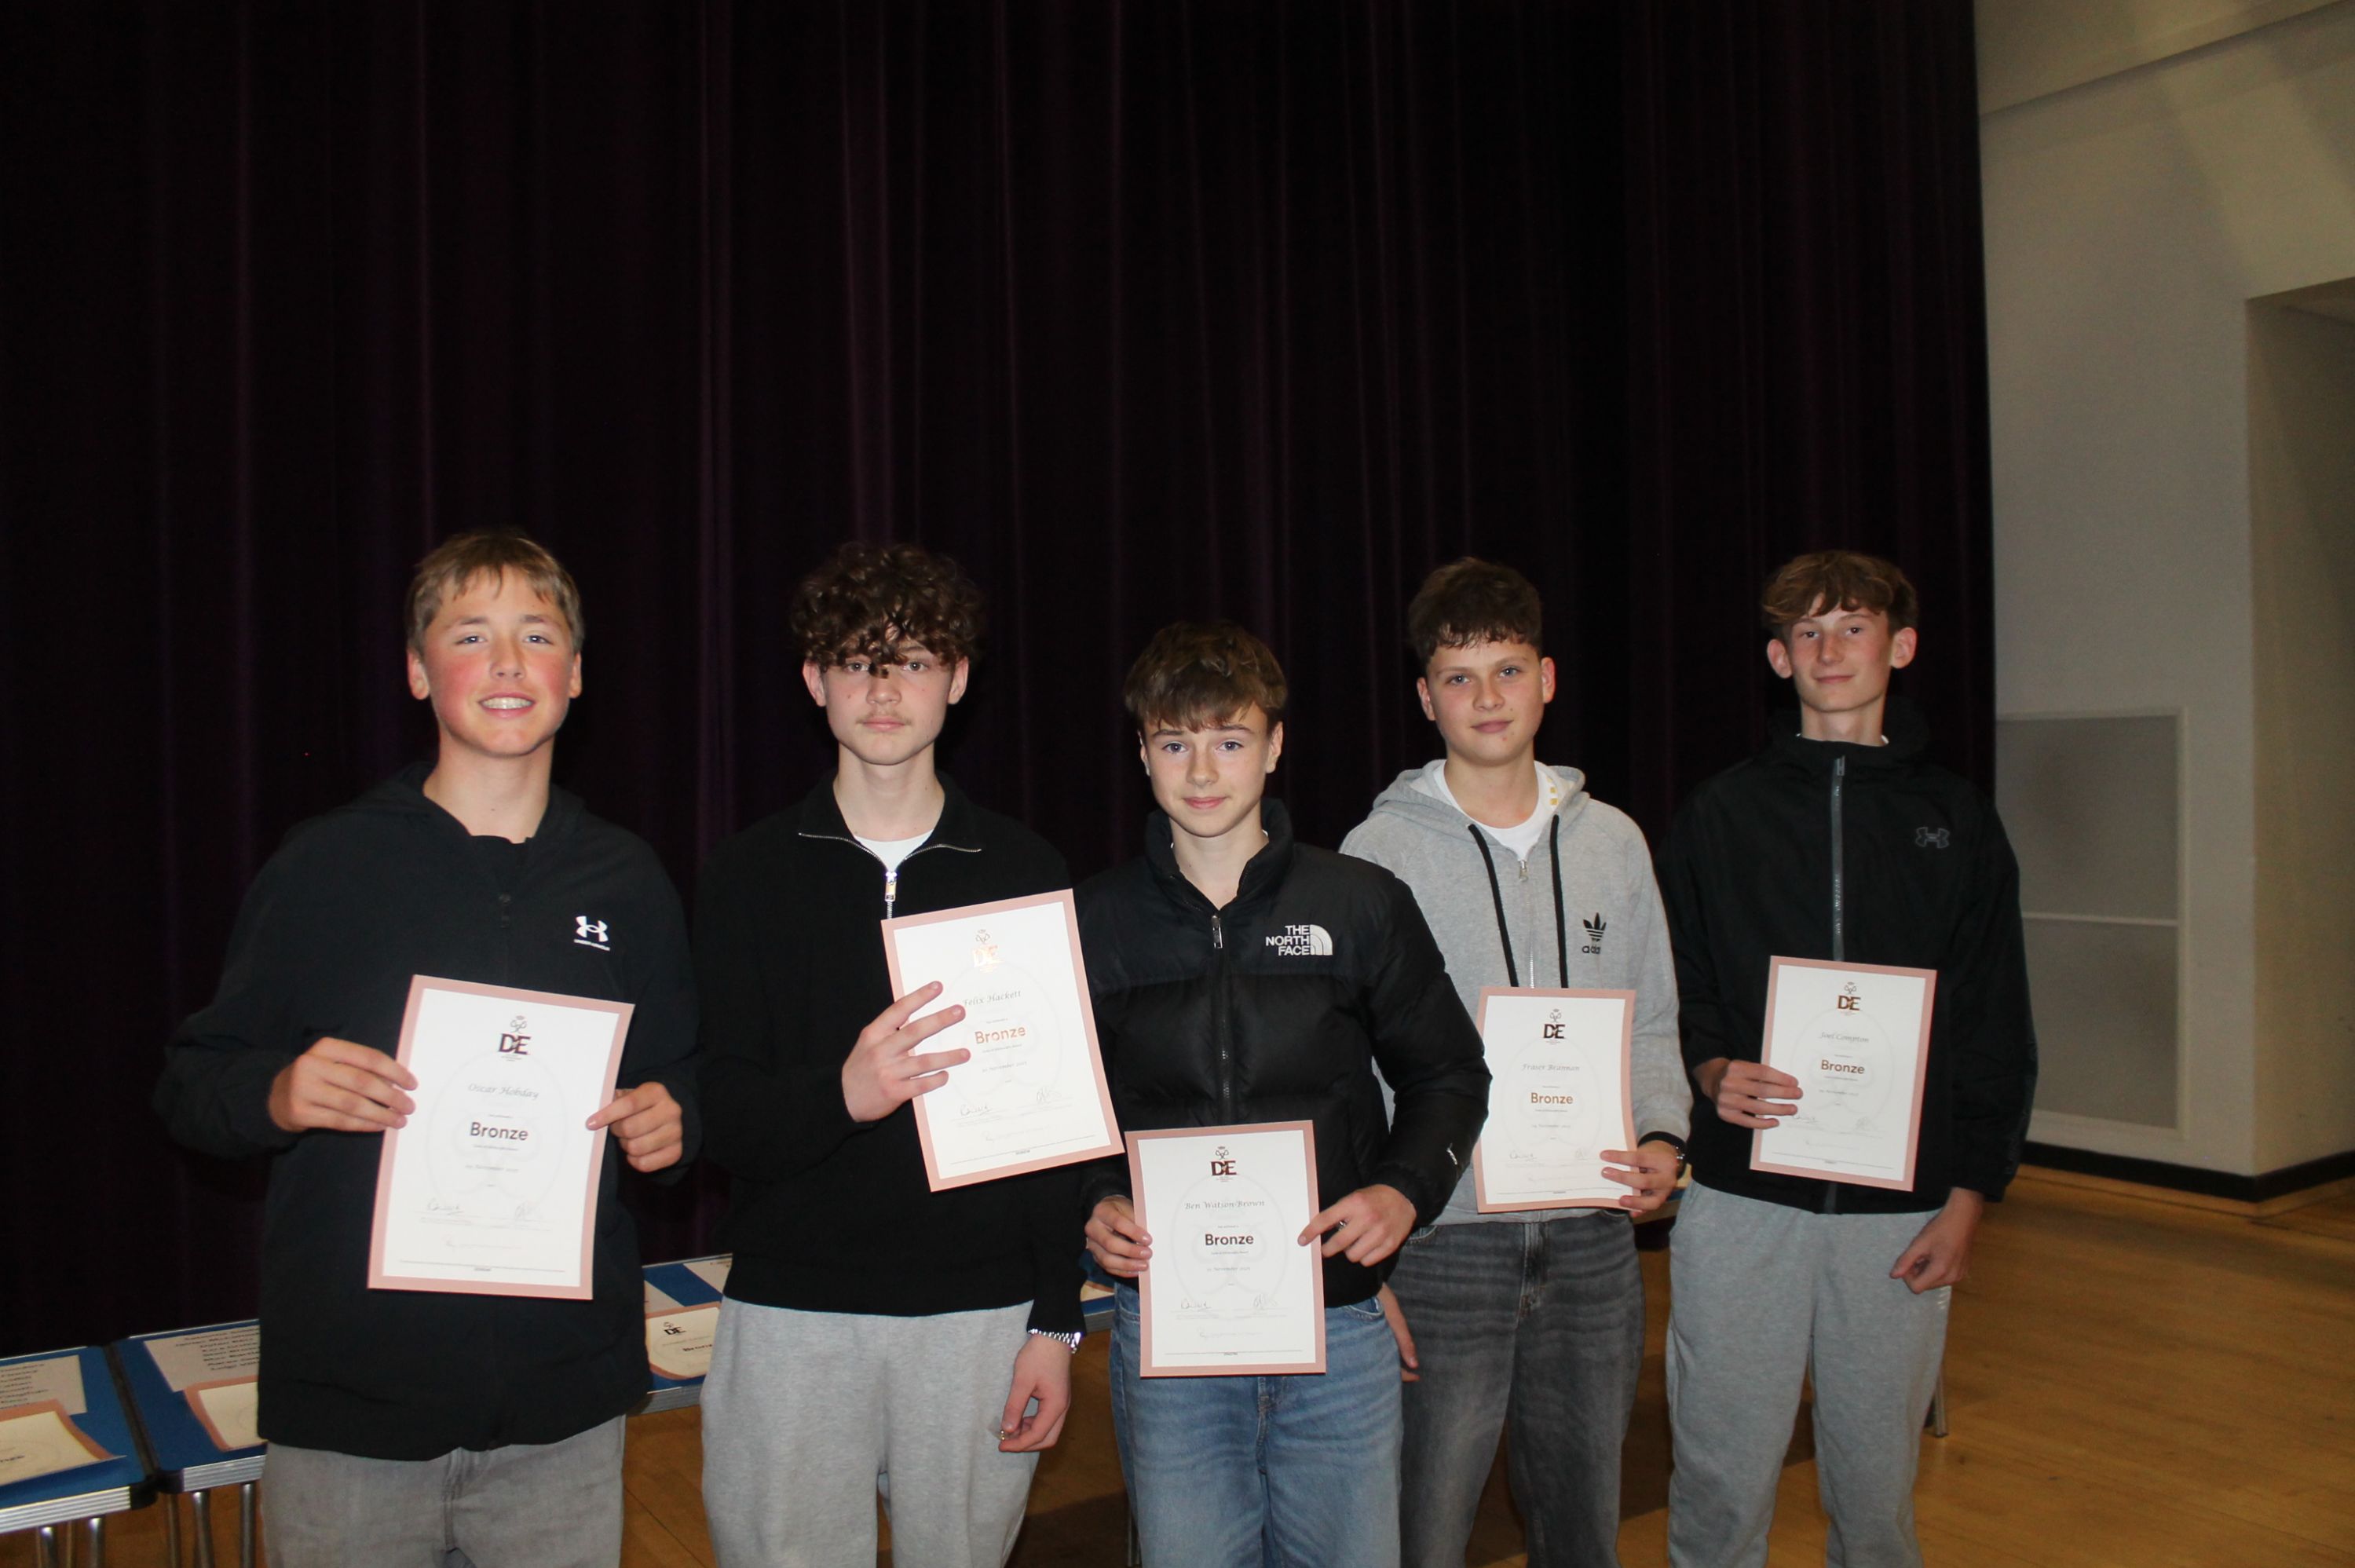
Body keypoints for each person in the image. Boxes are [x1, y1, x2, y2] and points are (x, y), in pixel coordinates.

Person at [154, 531, 698, 1567]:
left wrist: (674, 1114)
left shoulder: (626, 880)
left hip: (562, 1412)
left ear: (574, 675)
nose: (505, 662)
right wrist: (278, 1091)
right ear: (416, 670)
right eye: (470, 635)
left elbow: (684, 1069)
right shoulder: (326, 865)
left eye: (536, 636)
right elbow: (193, 1080)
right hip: (355, 1420)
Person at [693, 540, 1079, 1568]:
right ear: (815, 680)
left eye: (910, 659)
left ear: (956, 679)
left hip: (977, 1317)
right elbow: (713, 1113)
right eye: (855, 661)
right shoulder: (743, 877)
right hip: (791, 1316)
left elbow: (1055, 1130)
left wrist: (1056, 1321)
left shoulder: (1022, 866)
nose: (881, 687)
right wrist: (843, 1095)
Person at [1079, 620, 1491, 1568]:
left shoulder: (1360, 901)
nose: (1201, 769)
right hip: (1169, 1337)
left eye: (1228, 740)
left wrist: (1401, 1189)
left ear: (1273, 745)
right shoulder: (1093, 920)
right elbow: (1069, 1121)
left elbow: (1448, 1073)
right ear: (1142, 752)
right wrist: (1093, 1201)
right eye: (1173, 742)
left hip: (1336, 1325)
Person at [1658, 550, 2036, 1568]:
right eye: (1806, 632)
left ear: (1899, 646)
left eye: (1853, 626)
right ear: (1777, 658)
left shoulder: (1955, 821)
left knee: (1874, 1498)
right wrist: (1706, 1069)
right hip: (1741, 1200)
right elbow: (1677, 980)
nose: (1830, 649)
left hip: (1898, 1215)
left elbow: (1994, 1018)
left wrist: (1967, 1197)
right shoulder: (1717, 813)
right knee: (1718, 1483)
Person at [1340, 558, 1690, 1567]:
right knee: (1424, 1525)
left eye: (1505, 670)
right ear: (1423, 697)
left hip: (1590, 1241)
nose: (1485, 697)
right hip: (1443, 1242)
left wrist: (1662, 1133)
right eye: (1457, 676)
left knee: (1583, 1520)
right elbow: (1353, 1062)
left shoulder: (1615, 842)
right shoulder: (1376, 853)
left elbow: (1654, 1018)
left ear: (1546, 677)